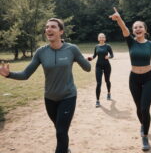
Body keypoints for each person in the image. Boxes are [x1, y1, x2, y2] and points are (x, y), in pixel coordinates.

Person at [0, 18, 91, 153]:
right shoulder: (41, 52)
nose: (48, 29)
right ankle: (65, 149)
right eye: (47, 27)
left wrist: (81, 58)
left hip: (68, 96)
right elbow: (26, 74)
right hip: (49, 98)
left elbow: (88, 68)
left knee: (61, 132)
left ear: (61, 31)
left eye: (53, 27)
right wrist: (9, 74)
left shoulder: (72, 49)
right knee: (60, 130)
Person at [109, 7, 151, 151]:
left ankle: (145, 137)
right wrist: (119, 19)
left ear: (145, 29)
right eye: (135, 27)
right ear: (133, 30)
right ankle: (143, 124)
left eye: (140, 26)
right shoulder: (131, 42)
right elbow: (124, 28)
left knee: (144, 107)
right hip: (134, 78)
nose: (137, 29)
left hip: (150, 78)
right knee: (138, 108)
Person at [88, 33, 114, 107]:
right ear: (98, 38)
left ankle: (109, 93)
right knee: (98, 83)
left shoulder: (108, 46)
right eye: (100, 37)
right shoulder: (96, 46)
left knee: (107, 81)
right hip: (98, 66)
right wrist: (90, 58)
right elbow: (94, 55)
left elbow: (112, 55)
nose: (101, 38)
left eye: (103, 37)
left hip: (107, 66)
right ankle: (97, 101)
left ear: (105, 38)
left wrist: (108, 57)